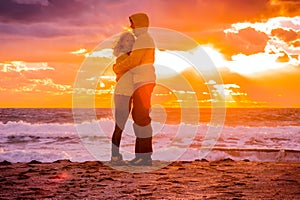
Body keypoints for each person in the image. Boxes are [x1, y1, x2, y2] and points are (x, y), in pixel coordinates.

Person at [113, 13, 156, 166]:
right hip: (142, 82)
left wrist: (117, 68)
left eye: (133, 23)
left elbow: (133, 61)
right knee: (140, 119)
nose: (131, 27)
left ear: (140, 23)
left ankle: (144, 157)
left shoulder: (144, 39)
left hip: (143, 82)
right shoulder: (144, 39)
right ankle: (143, 156)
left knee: (141, 119)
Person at [111, 31, 135, 165]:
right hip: (122, 94)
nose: (130, 42)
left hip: (128, 94)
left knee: (121, 125)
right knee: (119, 126)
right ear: (122, 43)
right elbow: (125, 68)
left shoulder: (129, 56)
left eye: (132, 40)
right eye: (127, 40)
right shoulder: (122, 57)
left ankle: (115, 154)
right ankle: (114, 156)